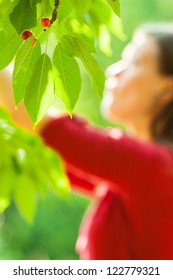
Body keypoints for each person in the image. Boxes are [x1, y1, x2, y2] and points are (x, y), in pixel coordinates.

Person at [1, 22, 173, 260]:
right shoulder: (139, 175)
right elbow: (49, 147)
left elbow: (33, 118)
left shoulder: (154, 168)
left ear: (167, 90)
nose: (114, 70)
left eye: (133, 62)